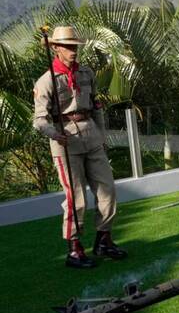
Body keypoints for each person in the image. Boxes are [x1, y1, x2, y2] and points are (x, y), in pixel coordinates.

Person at [33, 25, 127, 268]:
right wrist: (54, 133)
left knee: (107, 190)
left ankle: (104, 239)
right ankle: (74, 249)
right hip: (65, 141)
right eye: (67, 46)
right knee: (76, 198)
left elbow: (96, 106)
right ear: (55, 48)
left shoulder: (86, 74)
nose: (73, 50)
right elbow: (39, 120)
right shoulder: (47, 81)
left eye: (74, 46)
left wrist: (102, 135)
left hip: (91, 135)